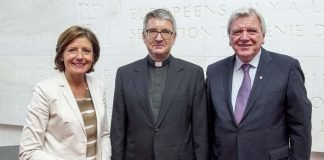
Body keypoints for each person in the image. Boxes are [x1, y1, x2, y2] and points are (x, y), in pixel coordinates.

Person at [206, 7, 312, 160]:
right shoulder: (214, 71)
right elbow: (209, 125)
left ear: (263, 36)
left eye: (252, 31)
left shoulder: (287, 68)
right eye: (237, 32)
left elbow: (300, 127)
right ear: (229, 39)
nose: (244, 37)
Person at [110, 8, 208, 160]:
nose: (159, 38)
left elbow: (200, 131)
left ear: (174, 37)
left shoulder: (193, 74)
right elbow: (118, 129)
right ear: (144, 36)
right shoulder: (125, 74)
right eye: (152, 31)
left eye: (165, 32)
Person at [19, 25, 111, 160]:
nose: (80, 56)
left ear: (93, 56)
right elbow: (28, 151)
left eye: (86, 51)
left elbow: (103, 134)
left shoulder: (99, 87)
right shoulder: (44, 90)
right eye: (72, 50)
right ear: (61, 55)